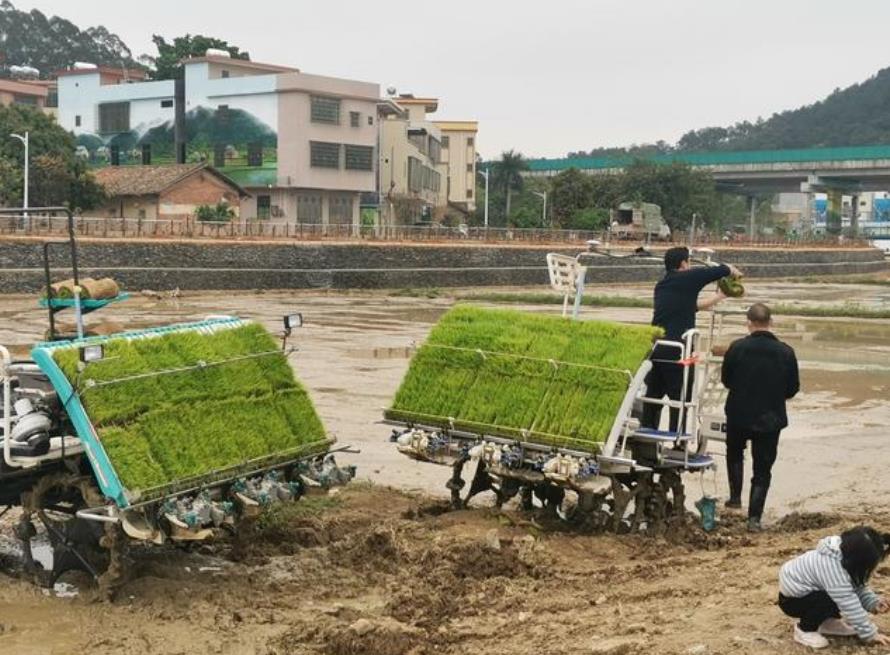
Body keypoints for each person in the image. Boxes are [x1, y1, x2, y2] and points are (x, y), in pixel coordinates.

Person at [642, 246, 739, 432]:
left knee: (652, 398)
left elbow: (691, 306)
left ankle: (647, 439)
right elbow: (721, 270)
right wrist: (734, 272)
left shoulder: (662, 285)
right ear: (683, 263)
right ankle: (678, 441)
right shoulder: (688, 277)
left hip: (656, 349)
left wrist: (719, 297)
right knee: (681, 400)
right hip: (681, 352)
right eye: (689, 262)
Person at [721, 302, 799, 531]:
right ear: (771, 323)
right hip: (770, 418)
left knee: (734, 453)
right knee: (762, 468)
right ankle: (754, 518)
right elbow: (792, 388)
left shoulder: (736, 348)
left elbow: (726, 380)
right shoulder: (786, 352)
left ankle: (735, 498)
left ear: (748, 323)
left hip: (738, 414)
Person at [779, 526, 890, 649]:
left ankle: (827, 622)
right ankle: (804, 629)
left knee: (833, 594)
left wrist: (873, 602)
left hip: (814, 590)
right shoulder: (832, 567)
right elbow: (848, 602)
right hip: (792, 600)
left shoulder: (847, 553)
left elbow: (857, 585)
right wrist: (870, 634)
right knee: (829, 598)